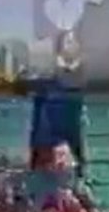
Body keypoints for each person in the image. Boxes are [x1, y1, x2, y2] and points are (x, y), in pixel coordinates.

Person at [30, 29, 88, 178]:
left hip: (69, 132)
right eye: (68, 41)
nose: (72, 45)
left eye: (74, 41)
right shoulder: (48, 80)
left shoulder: (80, 74)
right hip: (49, 138)